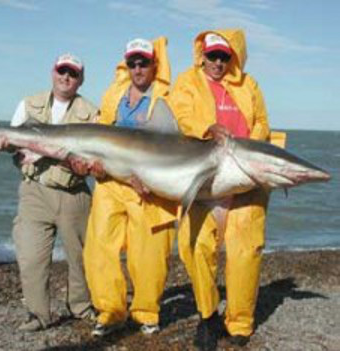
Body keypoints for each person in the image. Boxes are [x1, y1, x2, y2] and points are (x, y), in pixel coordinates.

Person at [168, 29, 273, 350]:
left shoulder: (249, 84)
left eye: (223, 57)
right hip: (206, 178)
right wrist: (204, 128)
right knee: (194, 246)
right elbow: (179, 114)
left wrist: (248, 154)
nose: (217, 62)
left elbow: (262, 123)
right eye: (211, 55)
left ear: (233, 58)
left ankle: (240, 322)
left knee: (245, 252)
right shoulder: (187, 81)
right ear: (202, 54)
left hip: (244, 178)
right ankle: (208, 315)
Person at [82, 37, 177, 337]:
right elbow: (99, 133)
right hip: (110, 182)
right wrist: (94, 164)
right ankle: (110, 311)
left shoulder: (167, 97)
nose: (137, 69)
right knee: (99, 249)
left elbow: (178, 142)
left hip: (147, 188)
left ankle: (146, 312)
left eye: (143, 62)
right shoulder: (114, 94)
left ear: (153, 65)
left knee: (149, 253)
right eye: (132, 63)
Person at [9, 53, 99, 331]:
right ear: (53, 72)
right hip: (35, 191)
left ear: (81, 80)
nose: (66, 77)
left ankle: (82, 306)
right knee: (31, 256)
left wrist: (84, 166)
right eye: (62, 71)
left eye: (72, 73)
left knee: (82, 257)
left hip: (74, 194)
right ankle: (38, 314)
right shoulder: (28, 105)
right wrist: (13, 150)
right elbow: (13, 145)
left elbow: (94, 160)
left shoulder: (92, 113)